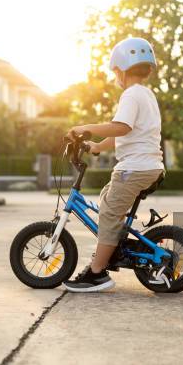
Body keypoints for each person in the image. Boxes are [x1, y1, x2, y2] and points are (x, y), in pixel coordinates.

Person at [63, 37, 165, 293]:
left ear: (121, 69)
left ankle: (97, 273)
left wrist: (85, 128)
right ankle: (113, 246)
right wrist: (96, 146)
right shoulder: (145, 94)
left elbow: (121, 127)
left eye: (115, 71)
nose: (115, 76)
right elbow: (125, 131)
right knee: (108, 199)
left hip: (136, 168)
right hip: (146, 165)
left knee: (108, 214)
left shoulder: (131, 95)